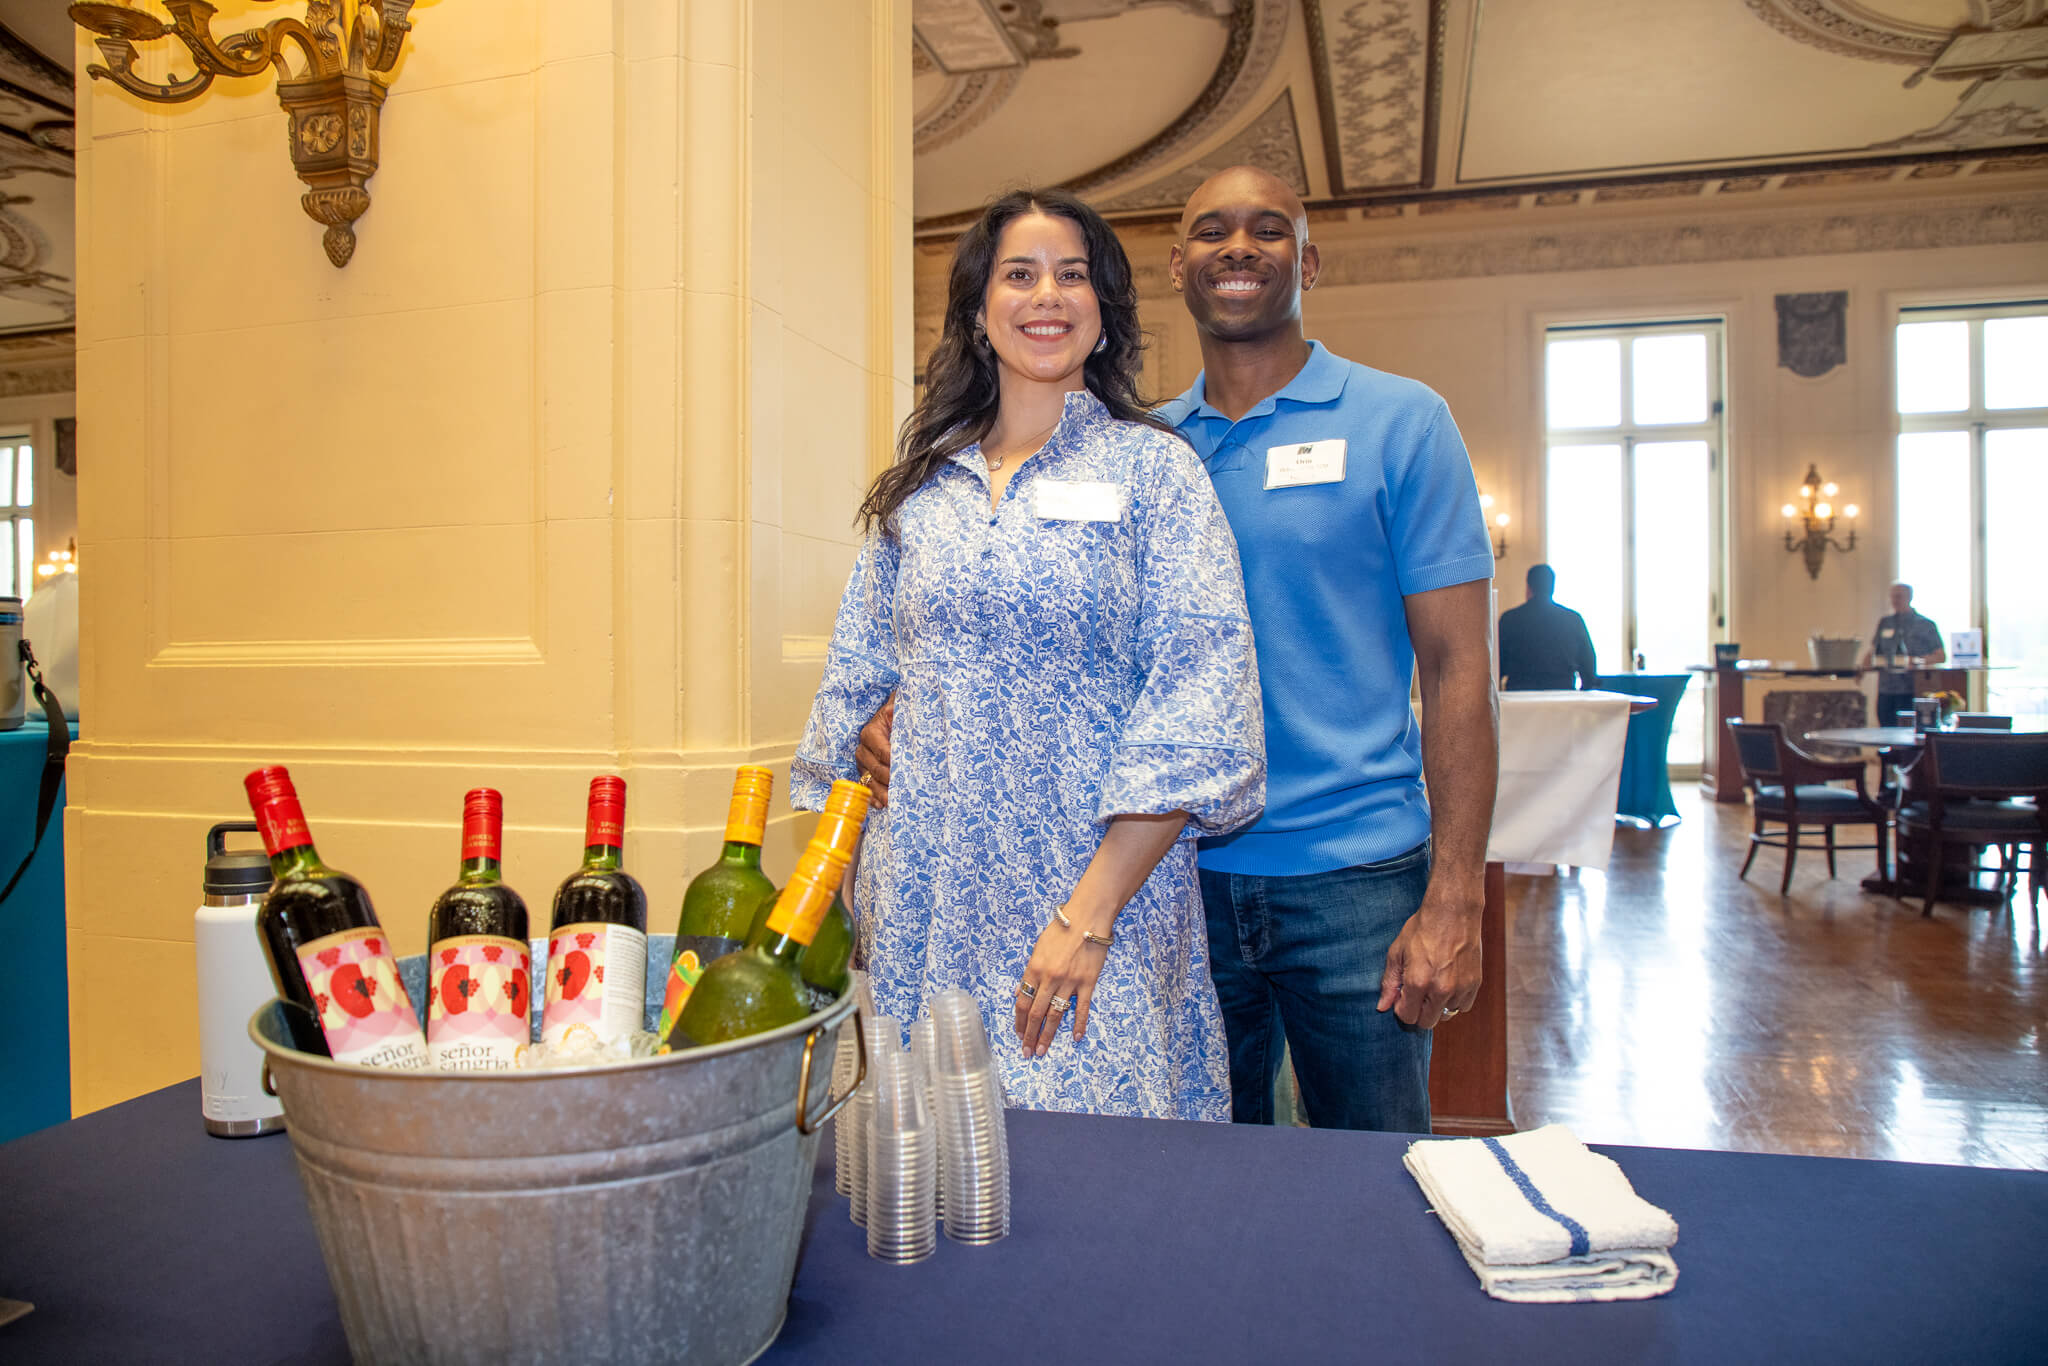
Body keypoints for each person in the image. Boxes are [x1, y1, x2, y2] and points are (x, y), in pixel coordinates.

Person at [792, 189, 1264, 1122]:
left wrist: (1089, 917)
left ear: (1102, 313)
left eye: (1073, 274)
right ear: (978, 309)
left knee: (1098, 1191)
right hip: (927, 898)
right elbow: (857, 680)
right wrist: (863, 763)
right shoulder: (921, 494)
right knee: (939, 1184)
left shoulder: (1155, 472)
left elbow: (1201, 704)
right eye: (1020, 273)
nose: (1047, 294)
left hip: (1098, 899)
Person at [1157, 165, 1497, 1134]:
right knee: (1198, 1192)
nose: (1237, 248)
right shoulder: (1145, 447)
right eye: (1211, 231)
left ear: (1306, 260)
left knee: (1375, 1183)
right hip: (1178, 881)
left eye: (1266, 230)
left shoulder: (1402, 422)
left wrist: (1455, 898)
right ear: (1177, 265)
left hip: (1357, 882)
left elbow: (1458, 668)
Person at [1498, 563, 1599, 691]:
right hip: (1563, 695)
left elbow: (1497, 663)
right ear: (1553, 588)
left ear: (1528, 588)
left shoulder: (1510, 618)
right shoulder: (1573, 619)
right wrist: (1585, 692)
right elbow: (1588, 662)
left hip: (1520, 696)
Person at [1859, 582, 1945, 727]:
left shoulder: (1925, 624)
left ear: (1909, 597)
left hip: (1911, 688)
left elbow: (1940, 656)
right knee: (1885, 726)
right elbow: (1874, 649)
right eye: (1893, 597)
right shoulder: (1885, 623)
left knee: (1907, 728)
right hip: (1886, 687)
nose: (1895, 601)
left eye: (1899, 597)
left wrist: (1917, 661)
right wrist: (1861, 669)